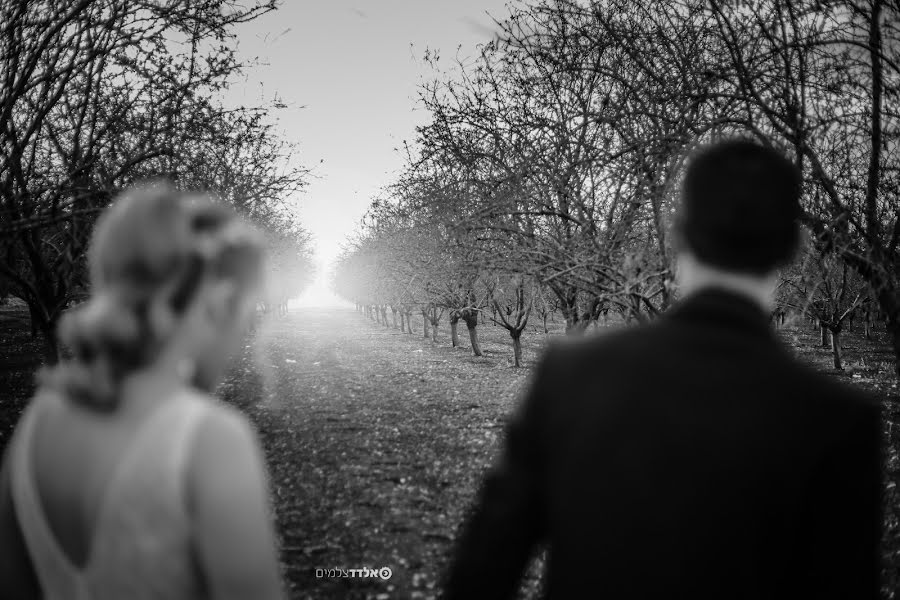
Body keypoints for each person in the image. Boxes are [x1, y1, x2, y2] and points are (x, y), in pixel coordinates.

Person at [443, 140, 882, 599]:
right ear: (794, 247)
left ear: (679, 233)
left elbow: (483, 571)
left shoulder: (571, 374)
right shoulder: (840, 422)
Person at [0, 185, 284, 599]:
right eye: (245, 310)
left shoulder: (38, 423)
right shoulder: (212, 440)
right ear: (217, 299)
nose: (244, 330)